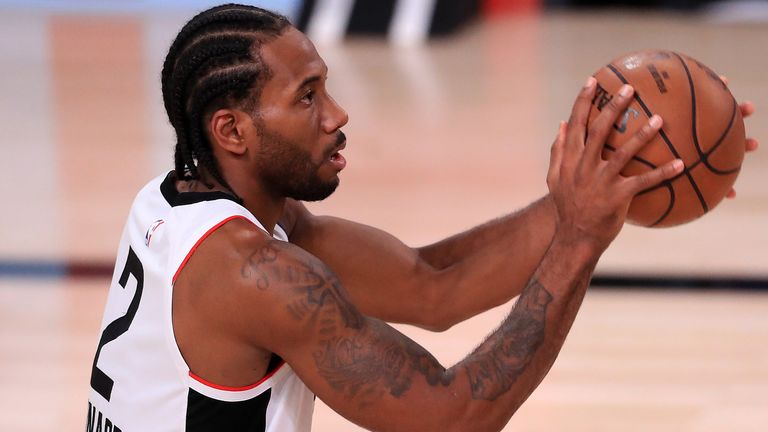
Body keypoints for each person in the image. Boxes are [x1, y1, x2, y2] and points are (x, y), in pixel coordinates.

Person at [86, 4, 757, 432]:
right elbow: (452, 417)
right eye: (308, 97)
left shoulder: (180, 200)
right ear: (232, 130)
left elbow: (432, 284)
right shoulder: (259, 276)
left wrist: (589, 192)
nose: (337, 115)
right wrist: (579, 239)